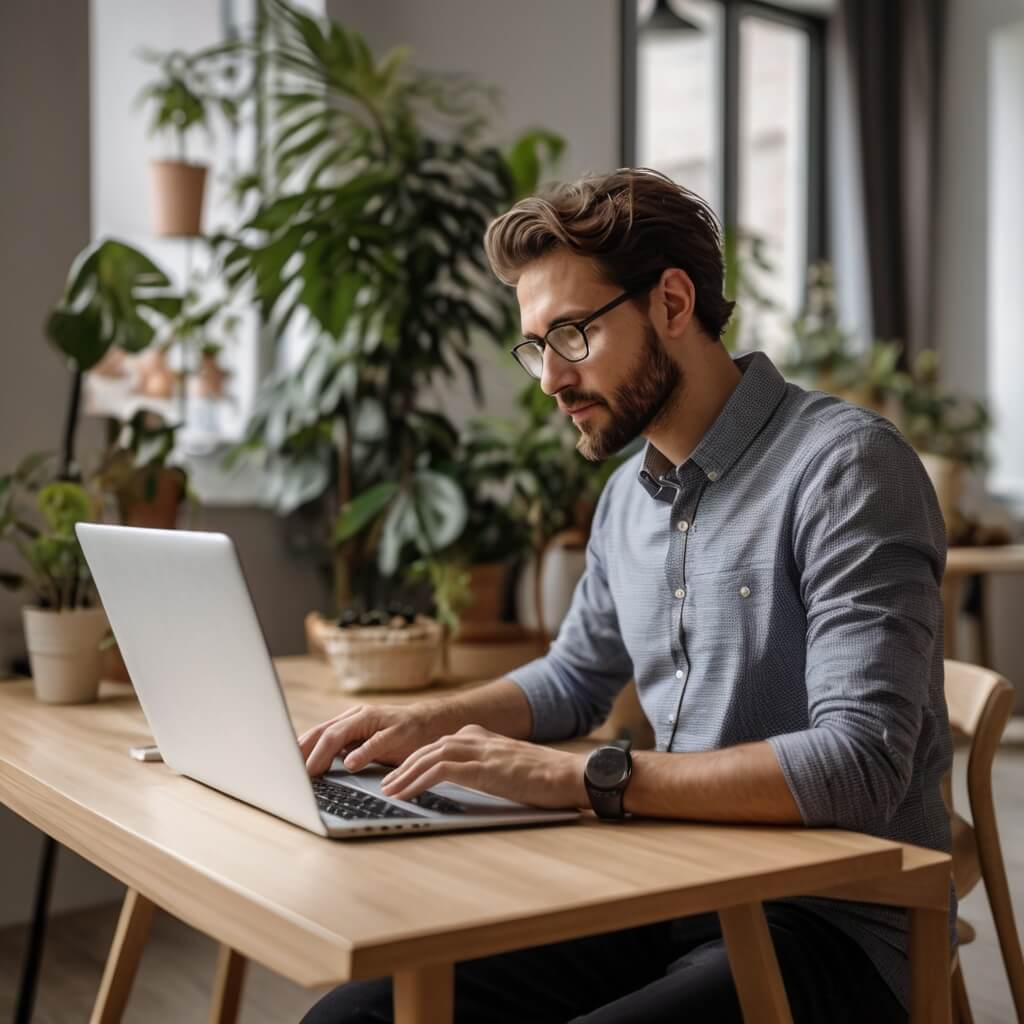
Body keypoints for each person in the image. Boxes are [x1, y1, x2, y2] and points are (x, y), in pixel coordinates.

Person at [300, 168, 952, 1024]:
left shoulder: (845, 467)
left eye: (570, 336)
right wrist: (426, 721)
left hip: (829, 923)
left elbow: (859, 763)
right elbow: (574, 678)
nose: (549, 381)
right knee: (349, 1018)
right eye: (536, 346)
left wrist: (586, 779)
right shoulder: (625, 500)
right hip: (661, 888)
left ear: (672, 304)